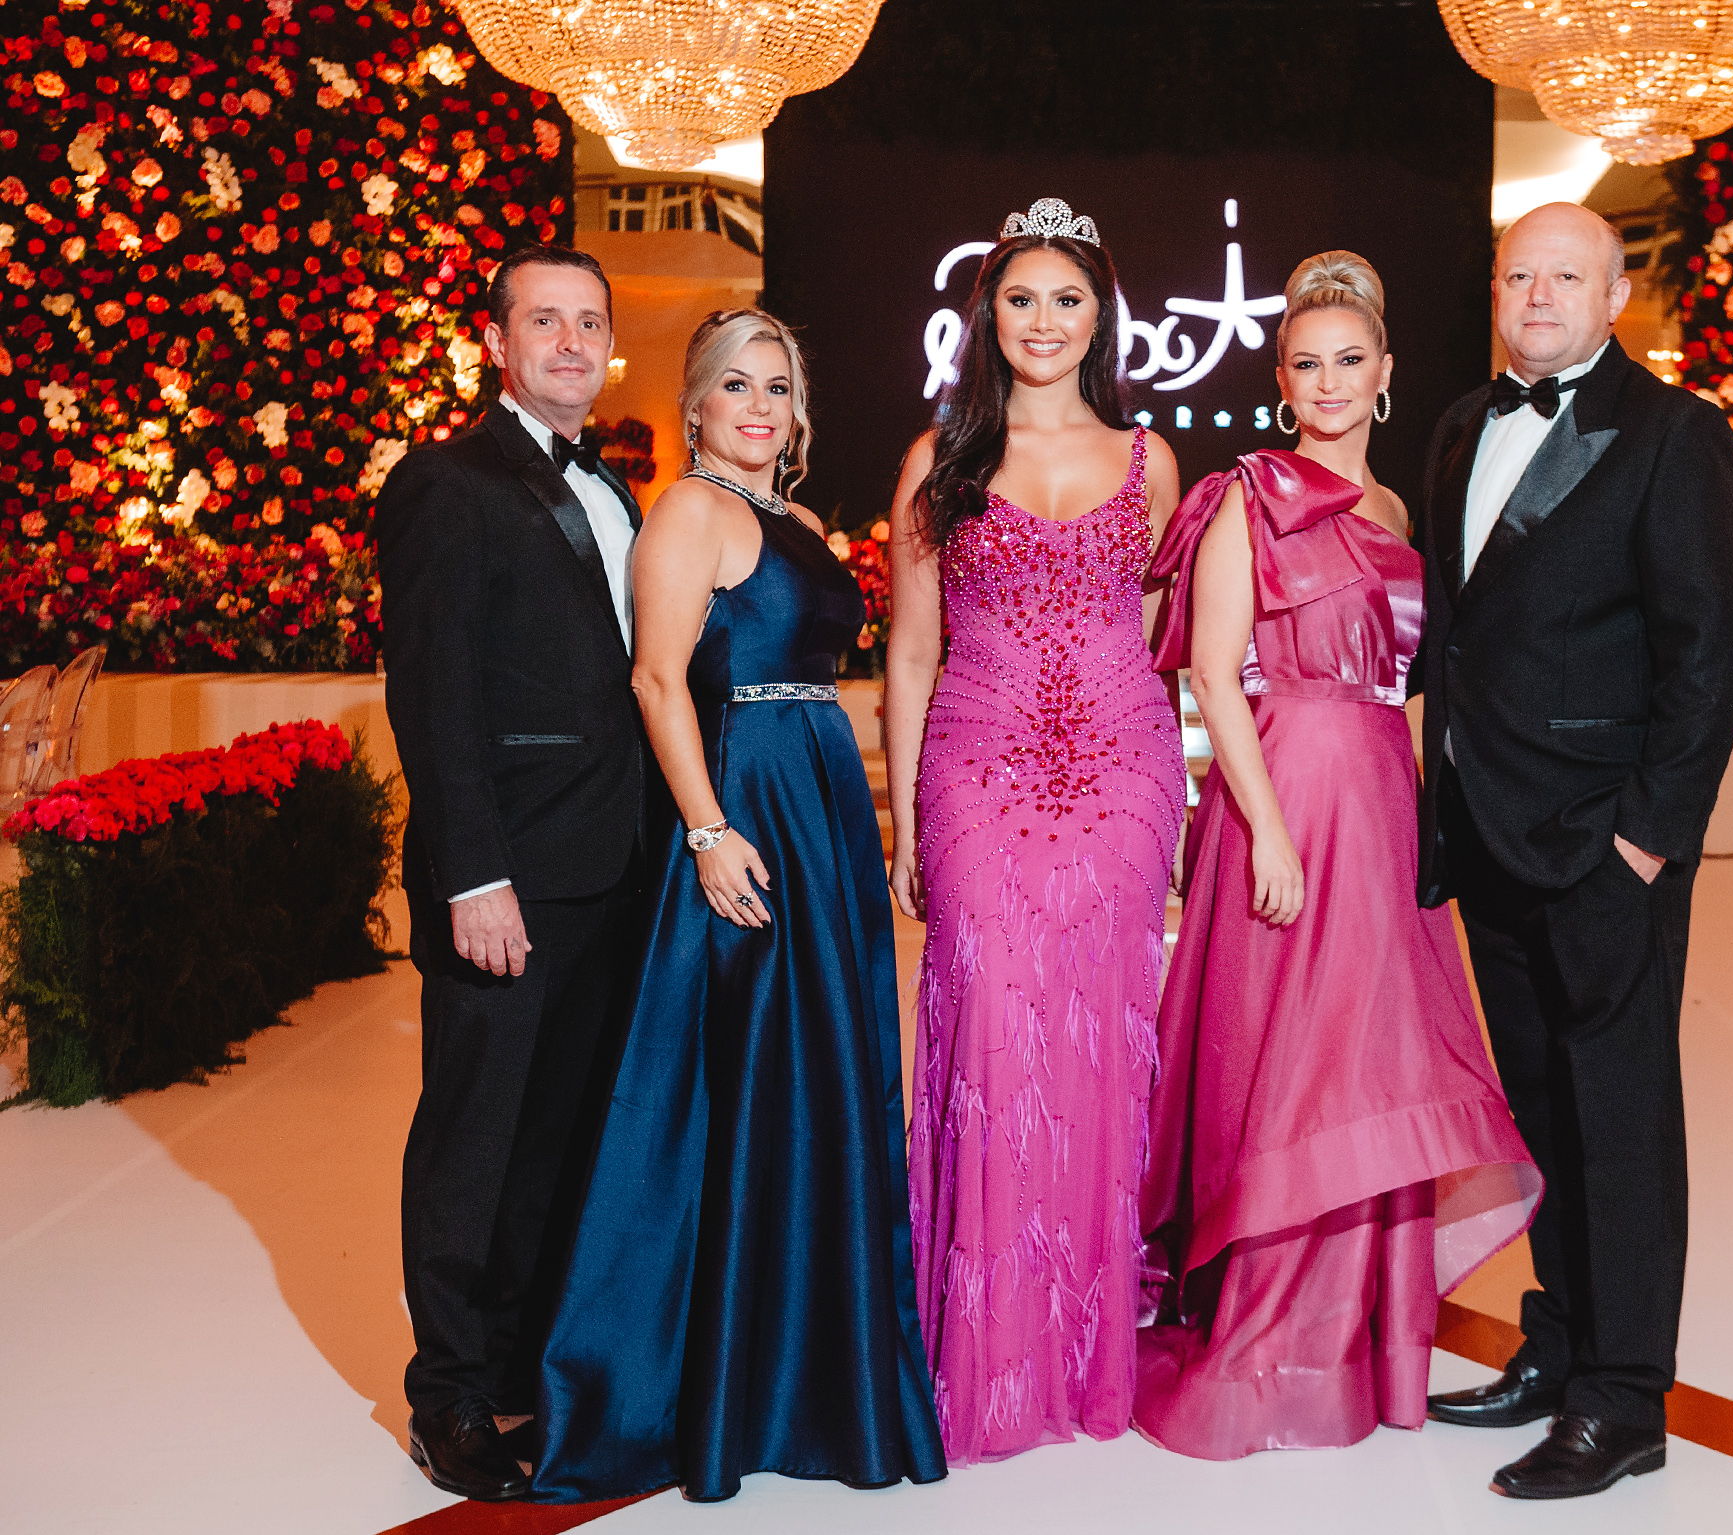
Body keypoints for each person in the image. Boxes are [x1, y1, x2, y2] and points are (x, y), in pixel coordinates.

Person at [530, 309, 947, 1502]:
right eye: (734, 387)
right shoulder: (687, 514)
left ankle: (818, 1368)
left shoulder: (799, 524)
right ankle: (715, 1383)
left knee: (827, 1083)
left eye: (776, 387)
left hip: (816, 803)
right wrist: (710, 831)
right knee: (750, 1087)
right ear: (696, 407)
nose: (757, 406)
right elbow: (658, 678)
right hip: (748, 804)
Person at [1134, 252, 1541, 1460]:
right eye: (1304, 363)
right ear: (1280, 380)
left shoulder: (1403, 515)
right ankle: (1268, 1326)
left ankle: (1359, 1318)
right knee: (1290, 1058)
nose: (1325, 381)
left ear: (1384, 375)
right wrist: (1260, 825)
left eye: (1346, 361)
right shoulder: (1241, 495)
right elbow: (1211, 670)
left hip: (1380, 791)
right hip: (1288, 790)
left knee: (1371, 1058)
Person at [1416, 202, 1733, 1499]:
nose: (1537, 294)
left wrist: (1646, 842)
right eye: (1518, 273)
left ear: (1615, 296)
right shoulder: (1458, 424)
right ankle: (1557, 1348)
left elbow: (1710, 652)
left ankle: (1623, 1400)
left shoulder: (1673, 435)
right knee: (1542, 1111)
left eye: (1565, 275)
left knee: (1617, 1123)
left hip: (1603, 847)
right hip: (1489, 837)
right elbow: (1459, 634)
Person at [884, 198, 1186, 1464]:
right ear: (986, 315)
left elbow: (1169, 639)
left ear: (1098, 317)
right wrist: (904, 814)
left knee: (1100, 1044)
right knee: (995, 1030)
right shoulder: (934, 462)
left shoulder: (1151, 456)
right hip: (972, 768)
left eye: (1067, 299)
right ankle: (982, 1345)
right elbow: (907, 650)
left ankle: (1084, 1336)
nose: (1043, 321)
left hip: (1119, 774)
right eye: (1020, 299)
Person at [377, 244, 644, 1502]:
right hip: (508, 881)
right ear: (496, 341)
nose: (572, 343)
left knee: (561, 1137)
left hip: (613, 869)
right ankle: (449, 1399)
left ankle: (525, 1362)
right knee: (474, 1143)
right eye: (545, 321)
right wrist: (472, 876)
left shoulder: (621, 489)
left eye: (589, 323)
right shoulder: (444, 481)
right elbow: (431, 695)